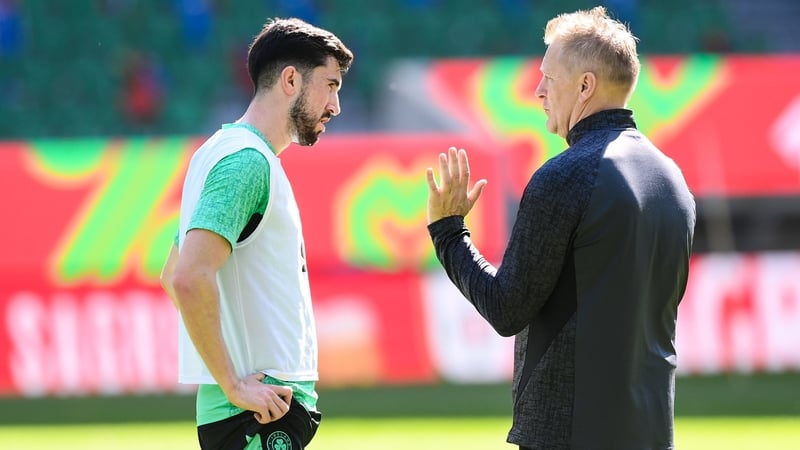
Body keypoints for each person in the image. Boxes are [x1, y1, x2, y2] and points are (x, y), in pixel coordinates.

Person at [425, 7, 695, 450]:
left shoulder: (566, 175)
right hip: (652, 430)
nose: (537, 90)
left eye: (548, 77)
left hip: (570, 433)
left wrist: (449, 231)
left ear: (585, 86)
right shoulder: (672, 179)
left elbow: (506, 308)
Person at [160, 17, 353, 450]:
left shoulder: (225, 154)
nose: (335, 105)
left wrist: (234, 366)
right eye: (331, 84)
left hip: (256, 411)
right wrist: (234, 383)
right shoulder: (246, 162)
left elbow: (173, 272)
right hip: (252, 416)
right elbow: (187, 278)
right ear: (290, 80)